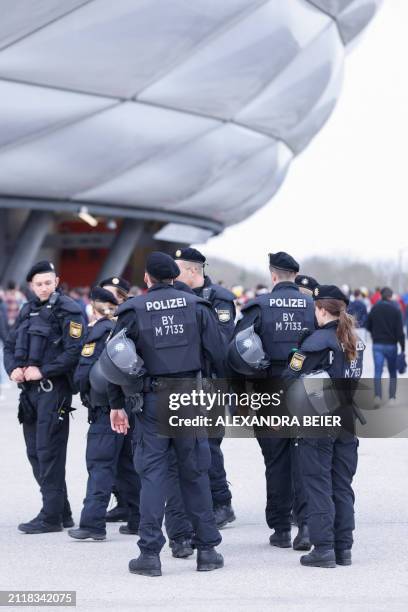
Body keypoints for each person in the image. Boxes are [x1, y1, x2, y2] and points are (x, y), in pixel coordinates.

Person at [109, 252, 224, 577]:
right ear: (175, 277)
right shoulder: (198, 308)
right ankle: (208, 552)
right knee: (195, 473)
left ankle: (149, 554)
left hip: (152, 401)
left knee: (153, 476)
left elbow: (116, 361)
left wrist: (117, 404)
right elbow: (217, 354)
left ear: (147, 278)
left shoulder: (132, 310)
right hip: (190, 397)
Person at [230, 252, 315, 551]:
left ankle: (280, 528)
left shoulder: (258, 306)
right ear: (295, 274)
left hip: (269, 389)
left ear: (273, 276)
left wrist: (240, 398)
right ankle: (304, 527)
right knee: (306, 458)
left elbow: (238, 354)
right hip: (306, 389)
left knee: (276, 460)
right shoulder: (313, 306)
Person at [283, 285, 365, 567]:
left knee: (318, 483)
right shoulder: (353, 340)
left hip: (318, 419)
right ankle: (343, 548)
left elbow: (289, 377)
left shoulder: (316, 342)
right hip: (346, 418)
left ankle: (324, 548)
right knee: (341, 485)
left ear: (320, 309)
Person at [3, 261, 85, 533]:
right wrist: (12, 368)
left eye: (48, 282)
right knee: (34, 452)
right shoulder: (28, 310)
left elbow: (74, 351)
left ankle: (50, 517)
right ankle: (61, 511)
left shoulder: (69, 310)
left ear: (57, 281)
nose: (44, 288)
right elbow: (12, 345)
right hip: (29, 394)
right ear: (31, 286)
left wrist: (43, 370)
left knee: (49, 452)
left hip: (54, 391)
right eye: (38, 284)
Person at [68, 287, 141, 541]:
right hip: (131, 407)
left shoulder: (98, 331)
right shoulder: (126, 330)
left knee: (100, 464)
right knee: (127, 465)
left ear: (94, 307)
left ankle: (92, 523)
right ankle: (137, 519)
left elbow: (83, 376)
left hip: (106, 411)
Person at [174, 247, 236, 528]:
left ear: (192, 271)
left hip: (210, 382)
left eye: (178, 269)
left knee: (209, 444)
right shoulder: (178, 298)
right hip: (185, 382)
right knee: (187, 446)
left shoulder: (219, 300)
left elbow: (222, 344)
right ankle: (198, 502)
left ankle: (222, 502)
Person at [99, 276, 135, 524]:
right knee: (116, 458)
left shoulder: (130, 319)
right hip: (106, 399)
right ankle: (123, 502)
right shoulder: (98, 323)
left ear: (122, 297)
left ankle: (136, 508)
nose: (105, 301)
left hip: (130, 397)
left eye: (110, 296)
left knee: (132, 456)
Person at [366, 287, 405, 405]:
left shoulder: (374, 308)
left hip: (377, 344)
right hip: (391, 345)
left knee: (378, 371)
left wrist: (374, 334)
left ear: (381, 295)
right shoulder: (396, 310)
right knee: (392, 371)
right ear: (391, 296)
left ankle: (377, 396)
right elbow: (399, 331)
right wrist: (403, 347)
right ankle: (392, 398)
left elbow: (368, 326)